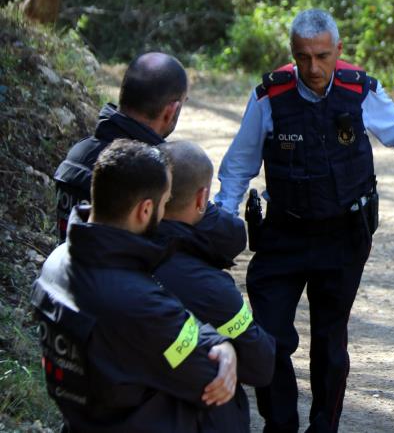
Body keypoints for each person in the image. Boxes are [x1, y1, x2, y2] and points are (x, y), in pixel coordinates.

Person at [214, 8, 394, 433]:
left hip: (342, 236)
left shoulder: (359, 91)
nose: (313, 67)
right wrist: (219, 224)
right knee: (266, 338)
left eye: (323, 56)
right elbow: (237, 168)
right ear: (292, 54)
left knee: (329, 340)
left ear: (339, 51)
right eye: (303, 57)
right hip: (282, 233)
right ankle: (279, 424)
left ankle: (324, 425)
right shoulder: (270, 96)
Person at [31, 139, 239, 432]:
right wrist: (223, 344)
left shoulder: (56, 261)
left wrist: (216, 342)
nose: (167, 209)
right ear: (144, 210)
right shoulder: (136, 300)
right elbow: (212, 375)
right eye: (166, 201)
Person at [154, 140, 277, 433]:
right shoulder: (210, 288)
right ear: (201, 199)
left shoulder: (102, 258)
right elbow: (261, 364)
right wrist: (226, 348)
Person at [54, 51, 188, 241]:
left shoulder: (78, 154)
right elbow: (222, 236)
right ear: (171, 111)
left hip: (65, 269)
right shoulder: (157, 174)